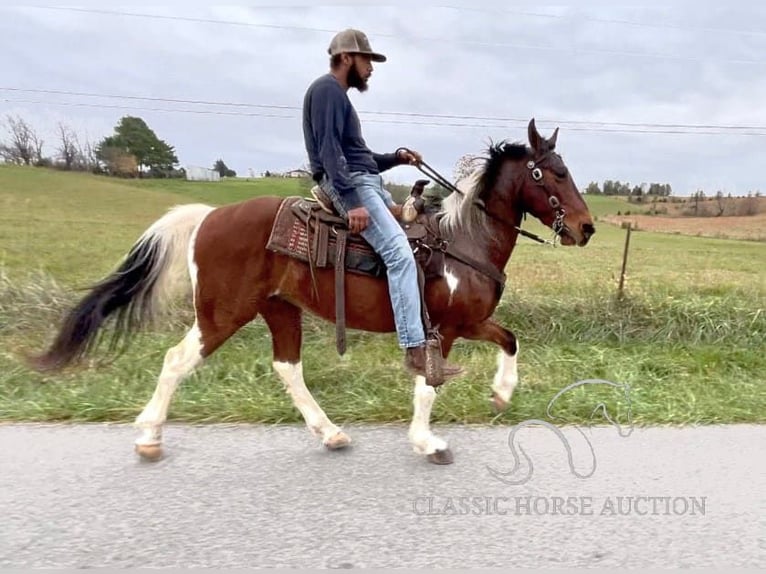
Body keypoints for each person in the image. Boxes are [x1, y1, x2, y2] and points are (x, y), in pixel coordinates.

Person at [301, 28, 463, 382]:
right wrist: (352, 202)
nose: (371, 68)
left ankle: (420, 321)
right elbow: (329, 152)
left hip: (367, 180)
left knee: (420, 231)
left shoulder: (340, 97)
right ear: (347, 58)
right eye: (367, 60)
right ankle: (415, 350)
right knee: (400, 255)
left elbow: (360, 156)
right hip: (354, 186)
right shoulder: (327, 91)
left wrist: (397, 158)